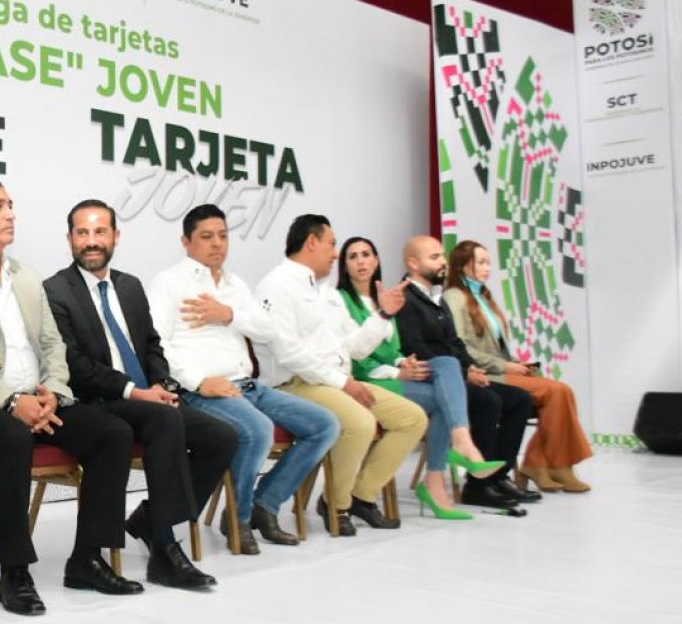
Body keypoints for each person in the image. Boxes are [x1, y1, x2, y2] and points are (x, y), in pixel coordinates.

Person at [0, 177, 139, 616]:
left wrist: (53, 392)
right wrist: (9, 401)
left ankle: (87, 560)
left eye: (10, 205)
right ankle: (15, 571)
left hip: (37, 400)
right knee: (12, 436)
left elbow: (53, 345)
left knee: (113, 432)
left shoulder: (26, 276)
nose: (10, 214)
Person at [43, 199, 234, 588]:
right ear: (69, 239)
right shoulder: (55, 290)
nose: (91, 241)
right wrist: (134, 391)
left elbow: (151, 345)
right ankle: (164, 546)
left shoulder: (129, 286)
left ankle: (150, 518)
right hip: (99, 400)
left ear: (116, 236)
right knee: (164, 419)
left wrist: (162, 384)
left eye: (100, 232)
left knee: (222, 437)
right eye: (82, 232)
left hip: (147, 397)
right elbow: (73, 365)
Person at [149, 205, 340, 553]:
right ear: (186, 241)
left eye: (223, 236)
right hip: (205, 391)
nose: (217, 244)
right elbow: (156, 345)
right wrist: (198, 382)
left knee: (324, 425)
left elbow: (267, 330)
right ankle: (240, 519)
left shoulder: (235, 284)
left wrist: (228, 314)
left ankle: (265, 505)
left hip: (249, 386)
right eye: (207, 236)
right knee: (258, 430)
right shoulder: (168, 282)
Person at [255, 215, 427, 535]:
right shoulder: (276, 285)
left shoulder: (328, 294)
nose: (336, 254)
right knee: (359, 423)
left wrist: (383, 314)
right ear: (312, 242)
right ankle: (337, 504)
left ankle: (362, 496)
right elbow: (288, 353)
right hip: (294, 384)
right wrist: (343, 383)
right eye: (332, 244)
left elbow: (354, 349)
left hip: (334, 382)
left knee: (412, 418)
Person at [336, 237, 504, 519]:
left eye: (367, 254)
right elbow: (354, 357)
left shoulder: (387, 297)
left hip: (392, 375)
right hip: (364, 381)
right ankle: (449, 462)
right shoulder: (339, 301)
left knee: (447, 365)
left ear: (377, 260)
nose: (361, 261)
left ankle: (445, 465)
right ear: (344, 265)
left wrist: (404, 362)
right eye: (353, 256)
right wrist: (397, 371)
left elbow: (394, 349)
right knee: (444, 396)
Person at [397, 236, 538, 509]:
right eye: (434, 257)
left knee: (519, 399)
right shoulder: (404, 298)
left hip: (456, 374)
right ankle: (478, 486)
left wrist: (470, 366)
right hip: (431, 378)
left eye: (442, 256)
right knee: (488, 401)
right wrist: (464, 373)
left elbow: (455, 342)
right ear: (413, 263)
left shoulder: (436, 297)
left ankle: (498, 476)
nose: (443, 262)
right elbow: (414, 347)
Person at [444, 240, 593, 493]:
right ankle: (549, 465)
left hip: (502, 368)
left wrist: (515, 362)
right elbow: (462, 347)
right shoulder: (454, 297)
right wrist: (505, 366)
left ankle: (546, 464)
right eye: (481, 262)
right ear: (461, 266)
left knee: (561, 392)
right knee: (557, 391)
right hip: (485, 373)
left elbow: (497, 346)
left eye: (488, 262)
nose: (487, 268)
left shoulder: (483, 297)